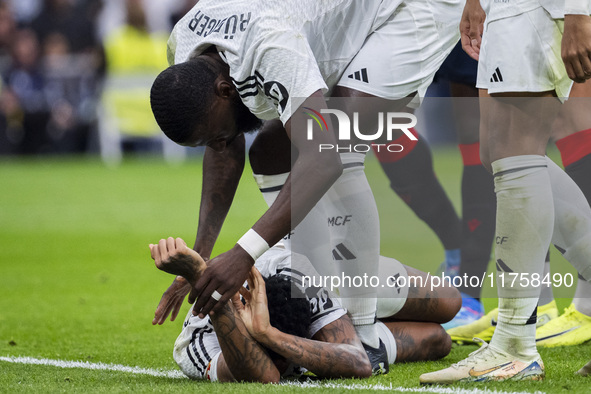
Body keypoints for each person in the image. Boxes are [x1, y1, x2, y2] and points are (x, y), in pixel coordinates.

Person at [149, 0, 462, 369]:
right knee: (269, 151)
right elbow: (225, 147)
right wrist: (200, 259)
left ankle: (364, 335)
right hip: (341, 24)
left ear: (224, 89)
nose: (216, 145)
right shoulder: (185, 47)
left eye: (213, 135)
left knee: (340, 144)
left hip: (406, 10)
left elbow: (322, 158)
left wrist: (243, 253)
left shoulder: (268, 45)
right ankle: (332, 298)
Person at [420, 0, 591, 384]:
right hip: (510, 8)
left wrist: (580, 12)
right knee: (497, 153)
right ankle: (513, 343)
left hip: (542, 8)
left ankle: (514, 345)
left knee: (515, 151)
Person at [148, 236, 460, 382]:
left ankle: (347, 322)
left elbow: (358, 364)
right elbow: (266, 376)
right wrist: (267, 335)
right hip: (320, 330)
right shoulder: (197, 346)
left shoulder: (292, 270)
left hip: (331, 272)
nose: (283, 369)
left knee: (450, 302)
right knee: (438, 339)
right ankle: (351, 328)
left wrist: (268, 335)